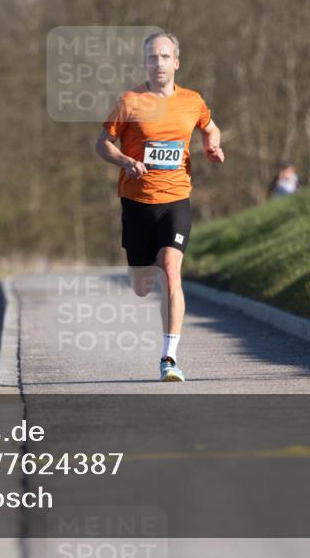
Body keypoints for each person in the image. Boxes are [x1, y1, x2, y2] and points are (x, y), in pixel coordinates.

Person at [95, 31, 225, 381]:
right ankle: (145, 269)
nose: (159, 63)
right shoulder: (129, 101)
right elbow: (102, 143)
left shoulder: (192, 101)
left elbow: (211, 128)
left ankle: (169, 357)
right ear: (145, 64)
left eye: (165, 57)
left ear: (176, 62)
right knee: (142, 286)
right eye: (152, 58)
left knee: (170, 269)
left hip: (176, 200)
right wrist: (125, 161)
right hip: (137, 202)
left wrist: (211, 146)